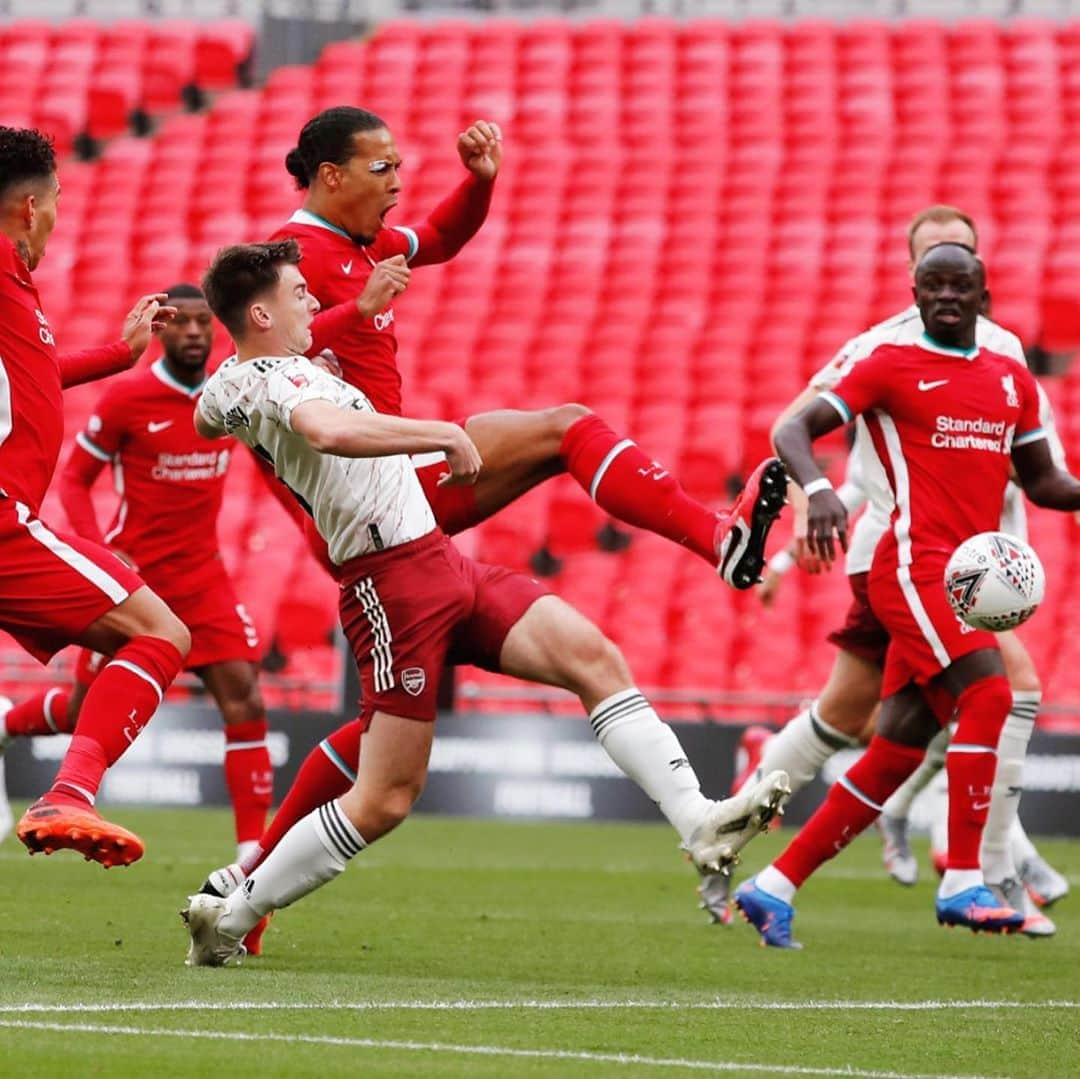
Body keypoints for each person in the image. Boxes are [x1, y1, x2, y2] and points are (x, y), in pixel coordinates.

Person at [180, 240, 790, 965]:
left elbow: (207, 418)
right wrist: (437, 432)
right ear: (260, 312)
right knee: (384, 799)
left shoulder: (236, 379)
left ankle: (700, 823)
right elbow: (325, 428)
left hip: (438, 560)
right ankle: (234, 913)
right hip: (390, 586)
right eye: (298, 293)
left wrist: (293, 363)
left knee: (590, 654)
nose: (314, 302)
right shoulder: (280, 379)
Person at [699, 206, 1065, 936]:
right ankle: (969, 874)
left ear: (983, 286)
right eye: (933, 279)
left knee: (888, 739)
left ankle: (774, 881)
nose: (947, 293)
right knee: (995, 692)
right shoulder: (885, 356)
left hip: (969, 568)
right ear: (913, 284)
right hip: (907, 561)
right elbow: (793, 426)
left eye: (961, 279)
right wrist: (818, 498)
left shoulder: (1009, 372)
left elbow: (1044, 478)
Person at [0, 285, 269, 864]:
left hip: (204, 578)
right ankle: (10, 726)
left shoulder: (228, 394)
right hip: (136, 572)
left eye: (205, 323)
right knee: (81, 710)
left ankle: (252, 857)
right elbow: (74, 479)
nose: (196, 333)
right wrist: (100, 548)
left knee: (244, 699)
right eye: (184, 323)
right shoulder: (129, 400)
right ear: (163, 330)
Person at [0, 126, 191, 867]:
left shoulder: (20, 293)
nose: (57, 219)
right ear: (26, 210)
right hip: (5, 523)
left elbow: (35, 373)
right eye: (54, 205)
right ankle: (69, 791)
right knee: (160, 633)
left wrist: (119, 353)